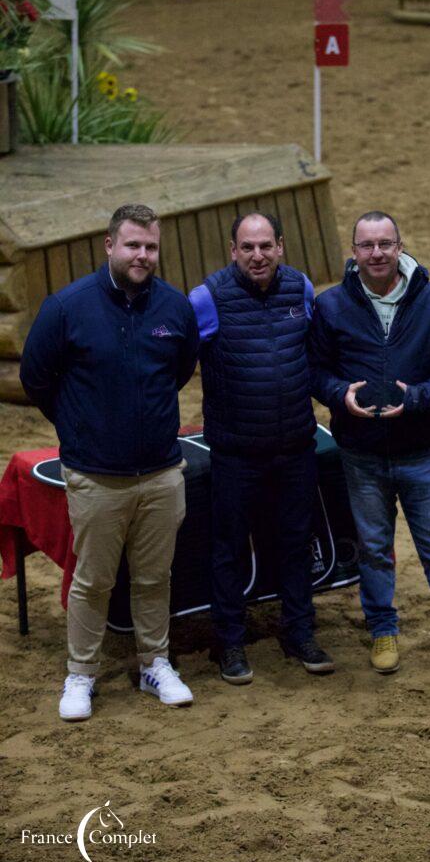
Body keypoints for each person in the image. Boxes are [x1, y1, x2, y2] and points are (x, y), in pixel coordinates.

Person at [20, 204, 199, 721]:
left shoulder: (174, 308)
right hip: (95, 475)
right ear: (109, 245)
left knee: (153, 578)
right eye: (133, 245)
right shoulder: (67, 307)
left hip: (163, 472)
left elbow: (181, 369)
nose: (142, 255)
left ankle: (154, 664)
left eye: (150, 247)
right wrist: (80, 426)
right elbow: (37, 377)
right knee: (93, 581)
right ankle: (81, 673)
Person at [309, 210, 430, 674]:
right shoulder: (331, 305)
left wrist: (419, 398)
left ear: (400, 247)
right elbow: (314, 369)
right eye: (366, 245)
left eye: (385, 243)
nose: (376, 253)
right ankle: (382, 632)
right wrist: (340, 395)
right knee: (374, 549)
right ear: (353, 253)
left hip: (420, 452)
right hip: (360, 453)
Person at [189, 212, 334, 685]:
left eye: (265, 246)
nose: (257, 255)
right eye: (247, 247)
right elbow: (175, 362)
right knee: (229, 549)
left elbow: (314, 356)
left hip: (294, 446)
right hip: (235, 452)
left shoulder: (302, 290)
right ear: (233, 250)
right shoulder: (207, 298)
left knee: (295, 543)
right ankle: (229, 643)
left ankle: (299, 632)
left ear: (281, 247)